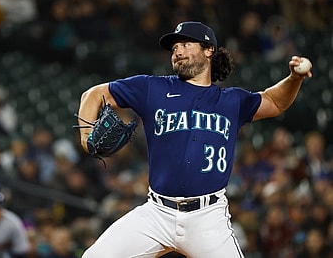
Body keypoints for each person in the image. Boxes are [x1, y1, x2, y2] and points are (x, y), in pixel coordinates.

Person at [76, 21, 313, 258]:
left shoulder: (232, 102)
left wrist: (294, 78)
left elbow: (275, 102)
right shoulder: (152, 88)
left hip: (207, 218)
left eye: (186, 44)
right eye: (174, 48)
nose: (177, 51)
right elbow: (94, 94)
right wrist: (87, 138)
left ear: (209, 50)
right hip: (157, 213)